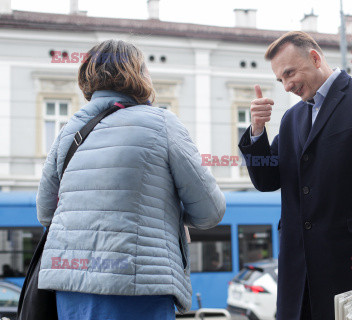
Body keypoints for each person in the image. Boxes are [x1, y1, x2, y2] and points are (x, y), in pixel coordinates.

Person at [36, 39, 226, 320]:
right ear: (137, 74)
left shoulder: (68, 131)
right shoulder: (162, 123)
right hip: (137, 284)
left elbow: (45, 213)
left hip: (70, 287)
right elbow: (211, 210)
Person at [238, 31, 352, 320]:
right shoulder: (292, 119)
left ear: (315, 58)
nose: (287, 85)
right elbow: (268, 180)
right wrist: (257, 130)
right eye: (280, 79)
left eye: (290, 73)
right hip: (299, 278)